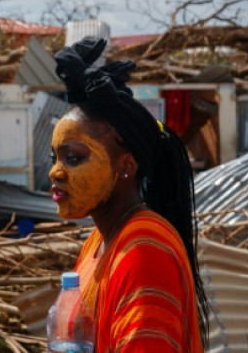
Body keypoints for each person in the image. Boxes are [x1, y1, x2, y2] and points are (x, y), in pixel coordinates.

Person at [49, 36, 211, 352]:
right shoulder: (99, 241)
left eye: (73, 158)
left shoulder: (143, 251)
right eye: (53, 157)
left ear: (126, 166)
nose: (55, 172)